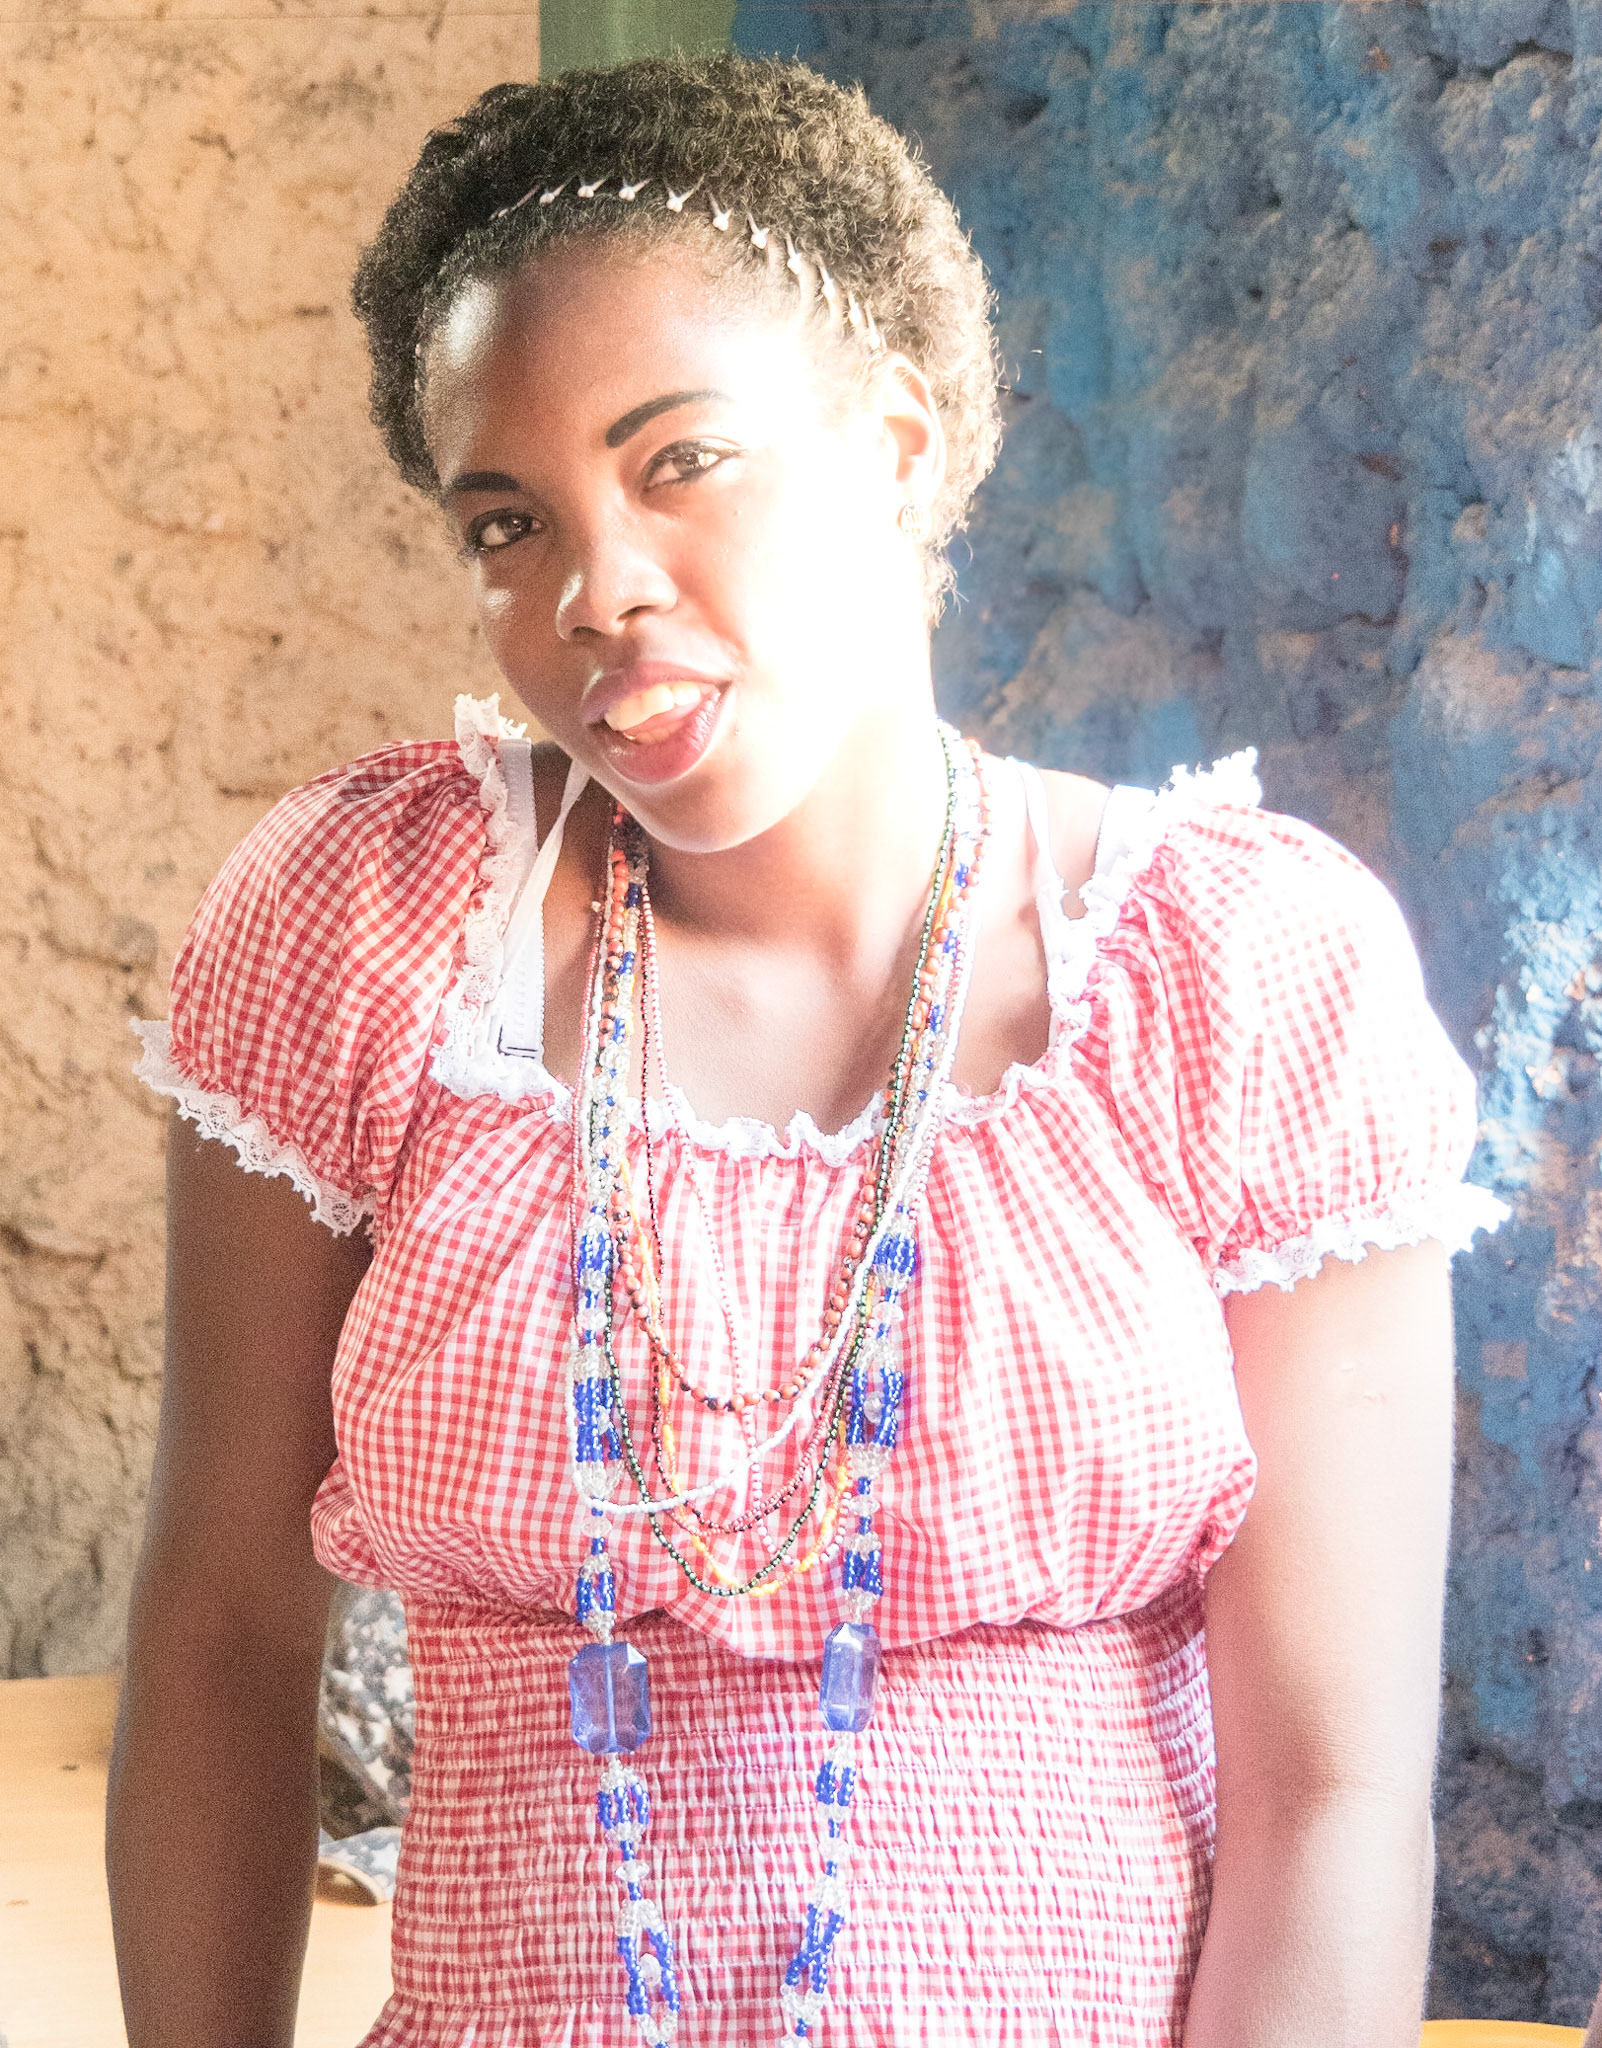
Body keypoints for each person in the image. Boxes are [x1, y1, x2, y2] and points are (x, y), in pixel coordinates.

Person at [104, 50, 1507, 2048]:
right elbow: (223, 1636)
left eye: (681, 461)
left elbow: (1334, 1794)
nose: (596, 590)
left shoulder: (1241, 972)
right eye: (508, 520)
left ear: (898, 440)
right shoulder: (369, 928)